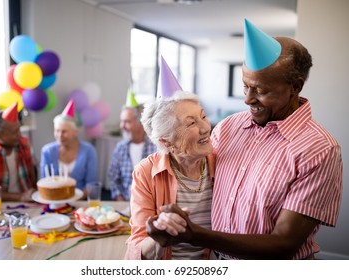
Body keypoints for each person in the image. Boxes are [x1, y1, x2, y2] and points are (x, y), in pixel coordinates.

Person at [147, 19, 343, 260]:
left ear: (295, 87)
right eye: (245, 86)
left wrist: (195, 235)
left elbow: (283, 244)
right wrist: (169, 219)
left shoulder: (319, 149)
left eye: (260, 91)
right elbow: (197, 183)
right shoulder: (229, 127)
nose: (248, 99)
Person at [124, 57, 216, 260]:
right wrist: (158, 232)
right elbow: (136, 247)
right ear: (166, 142)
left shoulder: (222, 162)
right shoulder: (145, 172)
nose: (205, 128)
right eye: (191, 123)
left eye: (203, 116)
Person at [40, 100, 98, 197]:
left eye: (64, 131)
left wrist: (73, 198)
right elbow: (44, 182)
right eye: (57, 131)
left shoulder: (88, 150)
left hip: (80, 200)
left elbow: (91, 184)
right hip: (53, 200)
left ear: (75, 131)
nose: (60, 135)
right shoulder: (47, 151)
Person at [108, 88, 156, 201]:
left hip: (151, 204)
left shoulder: (155, 147)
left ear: (140, 123)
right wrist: (121, 201)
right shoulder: (121, 147)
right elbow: (113, 178)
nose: (121, 126)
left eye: (127, 122)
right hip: (125, 204)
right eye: (122, 121)